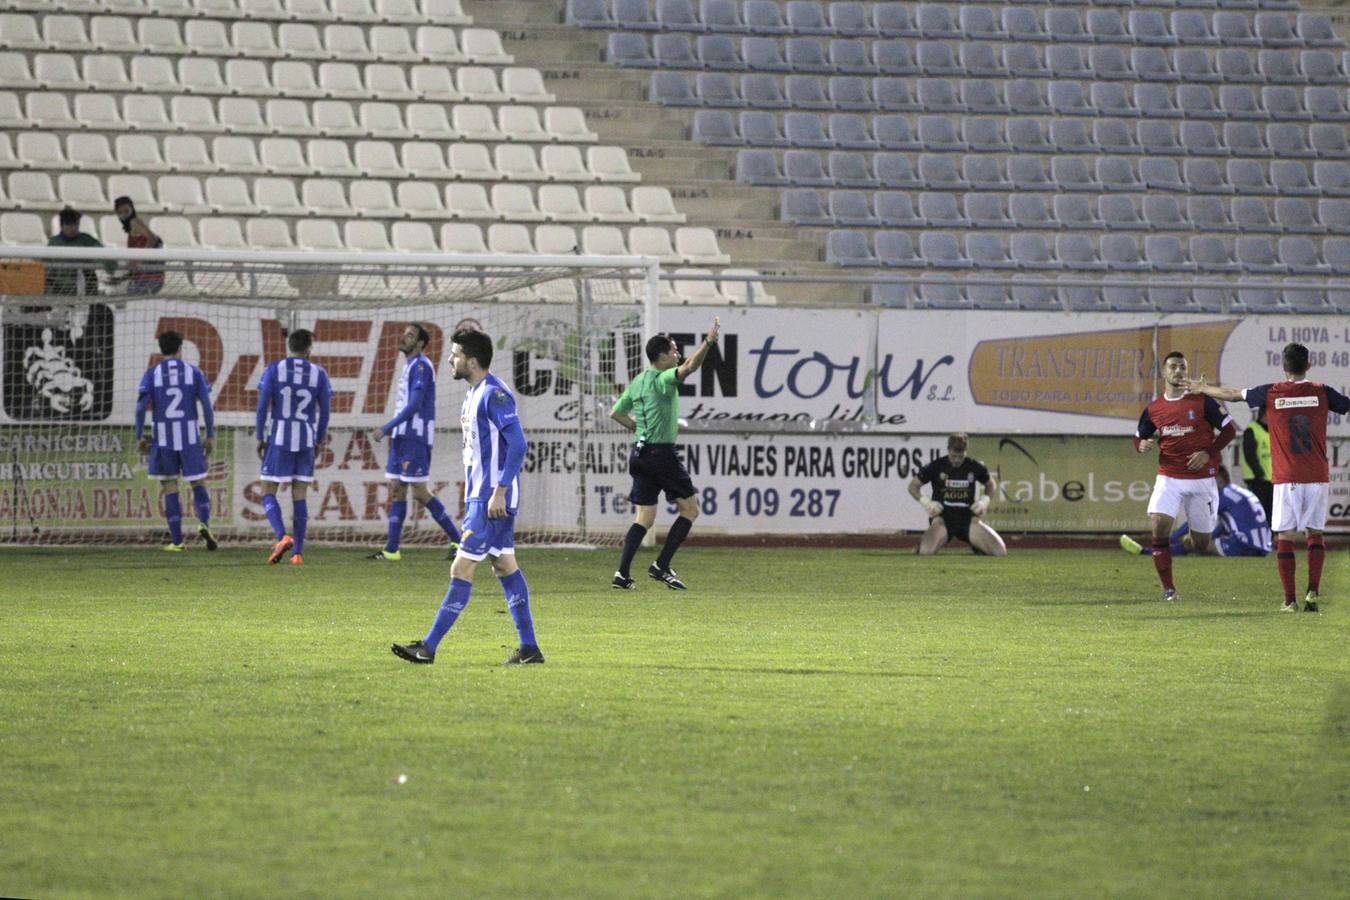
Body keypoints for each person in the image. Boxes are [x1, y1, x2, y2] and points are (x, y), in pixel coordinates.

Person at [391, 328, 540, 665]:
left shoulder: (494, 394)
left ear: (472, 361)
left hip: (490, 498)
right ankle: (529, 648)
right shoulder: (472, 394)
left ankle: (428, 648)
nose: (450, 359)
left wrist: (499, 490)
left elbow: (519, 445)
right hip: (484, 496)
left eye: (456, 355)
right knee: (504, 566)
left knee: (460, 569)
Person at [1186, 342, 1350, 612]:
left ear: (1284, 366)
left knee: (1285, 536)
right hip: (1317, 475)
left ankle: (1289, 600)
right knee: (1315, 534)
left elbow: (1232, 394)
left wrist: (1202, 388)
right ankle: (1313, 592)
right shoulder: (1322, 392)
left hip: (1287, 477)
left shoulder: (1272, 392)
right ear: (1308, 364)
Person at [609, 316, 721, 591]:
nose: (677, 354)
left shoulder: (638, 381)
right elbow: (690, 367)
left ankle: (622, 574)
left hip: (640, 453)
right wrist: (708, 342)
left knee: (644, 518)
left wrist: (637, 427)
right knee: (691, 509)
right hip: (661, 454)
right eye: (672, 350)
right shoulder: (663, 380)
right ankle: (661, 565)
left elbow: (616, 413)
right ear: (660, 357)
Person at [1133, 350, 1236, 601]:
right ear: (1164, 372)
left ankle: (1193, 541)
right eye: (1173, 366)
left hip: (1201, 481)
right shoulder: (1155, 408)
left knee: (1202, 544)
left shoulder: (1202, 401)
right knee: (1159, 526)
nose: (1178, 370)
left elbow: (1229, 431)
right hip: (1169, 478)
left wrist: (1208, 452)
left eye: (1182, 366)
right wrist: (1141, 445)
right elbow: (1140, 437)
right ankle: (1168, 590)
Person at [368, 323, 461, 560]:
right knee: (397, 488)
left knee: (419, 491)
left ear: (420, 344)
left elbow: (415, 405)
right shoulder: (410, 365)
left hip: (415, 436)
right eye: (405, 334)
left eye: (410, 336)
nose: (404, 337)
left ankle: (458, 541)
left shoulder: (421, 366)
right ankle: (391, 550)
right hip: (402, 435)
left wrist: (386, 428)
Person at [135, 330, 218, 552]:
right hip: (190, 438)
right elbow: (207, 407)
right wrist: (209, 435)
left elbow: (141, 407)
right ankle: (204, 524)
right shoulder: (194, 372)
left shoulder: (152, 373)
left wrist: (139, 436)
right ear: (181, 348)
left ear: (161, 349)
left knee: (170, 486)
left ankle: (178, 541)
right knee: (198, 483)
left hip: (163, 440)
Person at [256, 329, 332, 567]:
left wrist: (260, 435)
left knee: (268, 490)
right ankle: (297, 553)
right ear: (309, 348)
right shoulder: (319, 373)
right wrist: (319, 439)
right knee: (299, 494)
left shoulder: (274, 369)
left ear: (290, 346)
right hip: (306, 439)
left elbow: (262, 406)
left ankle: (282, 535)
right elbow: (325, 412)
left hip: (279, 437)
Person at [1120, 467, 1271, 558]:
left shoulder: (1223, 494)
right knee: (1200, 539)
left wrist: (1170, 538)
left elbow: (1195, 522)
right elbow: (1226, 525)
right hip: (1262, 546)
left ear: (1218, 478)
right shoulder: (1236, 491)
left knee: (1193, 544)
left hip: (1244, 545)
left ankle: (1148, 552)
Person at [908, 433, 1007, 556]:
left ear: (966, 451)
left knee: (1000, 552)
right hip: (943, 518)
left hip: (968, 518)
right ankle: (923, 544)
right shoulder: (936, 466)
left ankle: (976, 545)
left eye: (961, 456)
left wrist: (984, 501)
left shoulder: (974, 466)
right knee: (925, 552)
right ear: (948, 450)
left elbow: (991, 484)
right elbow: (913, 486)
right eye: (953, 456)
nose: (956, 460)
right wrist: (927, 503)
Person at [45, 207, 111, 296]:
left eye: (76, 224)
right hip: (60, 288)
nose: (73, 228)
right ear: (62, 225)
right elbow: (49, 270)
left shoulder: (87, 240)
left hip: (86, 288)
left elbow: (103, 255)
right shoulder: (54, 242)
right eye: (69, 225)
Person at [111, 196, 164, 295]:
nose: (124, 215)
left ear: (132, 209)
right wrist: (120, 279)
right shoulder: (132, 227)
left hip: (149, 280)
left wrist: (139, 259)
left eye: (126, 211)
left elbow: (153, 238)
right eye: (120, 212)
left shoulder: (134, 222)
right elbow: (135, 266)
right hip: (145, 279)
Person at [1241, 405, 1274, 525]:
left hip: (1270, 479)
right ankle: (1258, 540)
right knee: (1259, 513)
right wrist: (1259, 474)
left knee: (1270, 513)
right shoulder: (1252, 429)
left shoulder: (1272, 430)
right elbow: (1250, 455)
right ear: (1265, 414)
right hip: (1257, 480)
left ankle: (1268, 540)